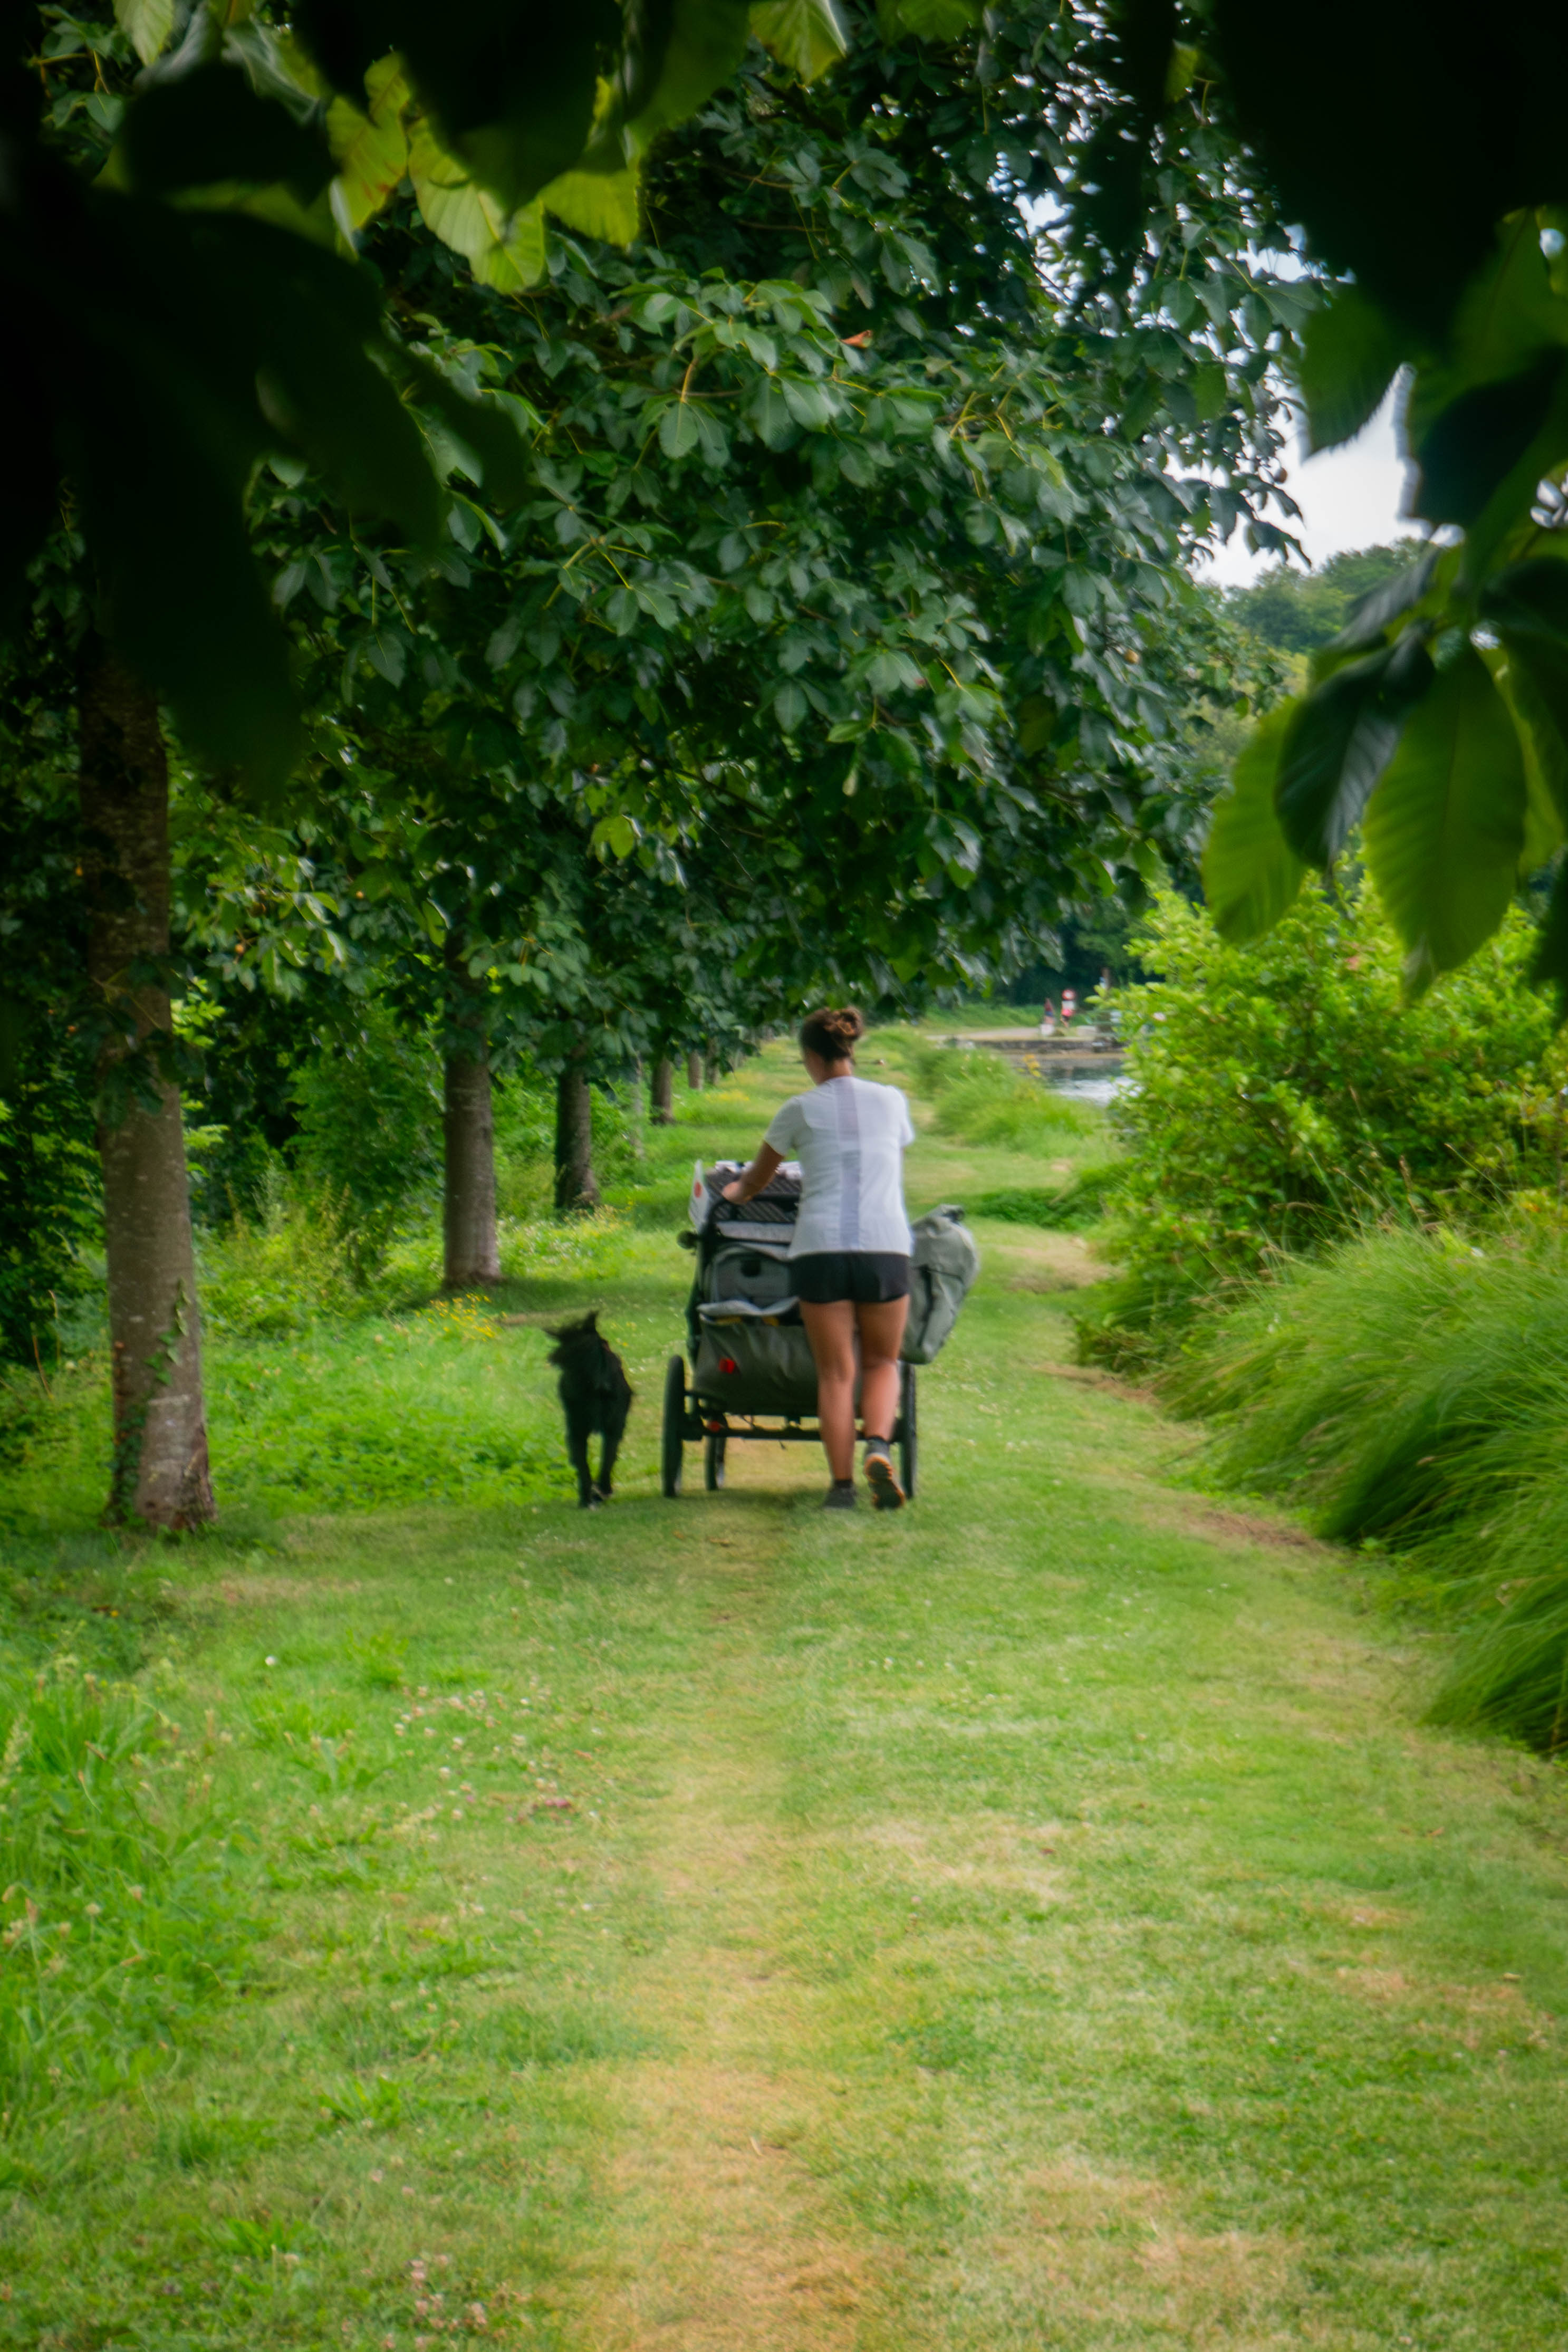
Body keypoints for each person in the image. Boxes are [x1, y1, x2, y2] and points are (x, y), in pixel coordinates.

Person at [722, 1006, 914, 1510]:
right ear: (850, 1049)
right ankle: (877, 1444)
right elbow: (890, 1149)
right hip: (885, 1246)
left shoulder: (799, 1108)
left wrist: (737, 1192)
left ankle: (842, 1488)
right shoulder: (892, 1101)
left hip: (821, 1249)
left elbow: (758, 1178)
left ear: (810, 1055)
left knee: (835, 1373)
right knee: (882, 1361)